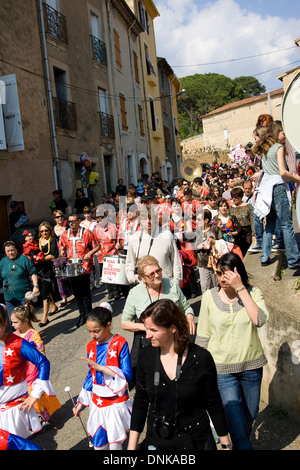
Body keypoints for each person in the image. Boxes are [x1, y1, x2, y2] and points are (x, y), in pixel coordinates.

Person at [127, 298, 231, 451]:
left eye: (154, 330)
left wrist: (226, 444)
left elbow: (213, 403)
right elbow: (140, 403)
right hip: (157, 441)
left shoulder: (201, 358)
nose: (147, 335)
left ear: (173, 328)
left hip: (196, 441)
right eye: (146, 329)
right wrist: (131, 447)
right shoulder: (146, 356)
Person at [196, 252, 269, 450]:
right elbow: (202, 335)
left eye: (227, 274)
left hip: (252, 366)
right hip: (221, 369)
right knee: (236, 418)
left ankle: (237, 438)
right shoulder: (209, 297)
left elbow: (259, 320)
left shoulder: (253, 293)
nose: (222, 278)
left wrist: (241, 289)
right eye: (219, 273)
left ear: (238, 273)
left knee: (249, 415)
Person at [121, 255, 195, 389]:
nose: (157, 275)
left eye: (158, 271)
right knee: (155, 383)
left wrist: (189, 316)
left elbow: (186, 307)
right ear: (142, 278)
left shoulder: (172, 285)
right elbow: (124, 323)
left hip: (175, 340)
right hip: (151, 343)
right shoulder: (135, 293)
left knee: (179, 379)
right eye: (151, 274)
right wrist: (147, 327)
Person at [73, 304, 132, 450]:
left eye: (97, 331)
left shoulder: (119, 343)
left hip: (114, 402)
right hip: (97, 402)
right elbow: (90, 375)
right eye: (89, 331)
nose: (93, 335)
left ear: (109, 325)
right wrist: (81, 402)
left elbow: (127, 374)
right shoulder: (90, 346)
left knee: (115, 443)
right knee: (99, 443)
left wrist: (102, 368)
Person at [0, 304, 57, 439]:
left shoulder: (17, 343)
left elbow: (42, 362)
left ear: (4, 323)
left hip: (14, 411)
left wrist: (35, 394)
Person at [253, 121, 300, 268]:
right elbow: (282, 172)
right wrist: (297, 178)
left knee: (269, 225)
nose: (285, 136)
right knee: (286, 225)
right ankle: (294, 260)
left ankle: (264, 256)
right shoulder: (278, 147)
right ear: (276, 132)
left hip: (266, 190)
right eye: (283, 133)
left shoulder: (264, 149)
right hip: (278, 188)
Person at [11, 304, 61, 425]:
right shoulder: (15, 336)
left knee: (33, 390)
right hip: (21, 369)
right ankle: (32, 416)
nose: (12, 325)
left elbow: (41, 350)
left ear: (25, 321)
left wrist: (41, 361)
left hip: (33, 368)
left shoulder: (33, 334)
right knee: (23, 392)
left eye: (15, 322)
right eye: (12, 322)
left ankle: (44, 416)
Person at [58, 213, 100, 328]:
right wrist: (62, 251)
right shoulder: (65, 234)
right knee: (77, 294)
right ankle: (81, 315)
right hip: (71, 267)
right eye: (69, 221)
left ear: (78, 221)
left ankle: (89, 315)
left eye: (73, 221)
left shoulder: (87, 233)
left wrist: (90, 253)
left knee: (85, 293)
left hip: (85, 267)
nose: (71, 223)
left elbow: (97, 246)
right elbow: (61, 245)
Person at [125, 207, 182, 285]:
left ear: (156, 219)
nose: (148, 221)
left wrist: (176, 281)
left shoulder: (167, 235)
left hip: (167, 284)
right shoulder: (134, 239)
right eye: (145, 219)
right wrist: (134, 279)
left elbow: (176, 261)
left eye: (151, 218)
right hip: (144, 286)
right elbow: (129, 263)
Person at [0, 241, 39, 327]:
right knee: (13, 321)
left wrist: (35, 286)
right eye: (8, 251)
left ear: (16, 250)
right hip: (9, 298)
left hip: (23, 297)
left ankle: (30, 338)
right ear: (5, 252)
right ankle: (18, 339)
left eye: (12, 250)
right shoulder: (3, 262)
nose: (11, 253)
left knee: (23, 320)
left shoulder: (23, 259)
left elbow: (33, 272)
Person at [36, 222, 58, 327]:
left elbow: (53, 254)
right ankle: (54, 306)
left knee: (44, 292)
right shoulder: (38, 241)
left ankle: (44, 318)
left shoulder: (52, 240)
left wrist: (42, 259)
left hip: (48, 269)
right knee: (46, 289)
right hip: (39, 268)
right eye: (42, 231)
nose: (44, 232)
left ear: (49, 230)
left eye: (46, 230)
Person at [52, 210, 73, 307]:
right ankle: (64, 298)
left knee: (71, 273)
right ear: (54, 219)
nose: (59, 218)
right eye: (57, 217)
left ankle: (75, 292)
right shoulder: (52, 230)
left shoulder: (68, 227)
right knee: (60, 276)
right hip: (57, 254)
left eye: (61, 216)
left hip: (67, 252)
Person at [229, 187, 255, 257]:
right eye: (232, 197)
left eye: (236, 197)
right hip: (235, 232)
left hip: (247, 232)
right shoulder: (230, 208)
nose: (234, 199)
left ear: (240, 196)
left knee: (247, 251)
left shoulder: (248, 206)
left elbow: (252, 220)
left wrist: (254, 234)